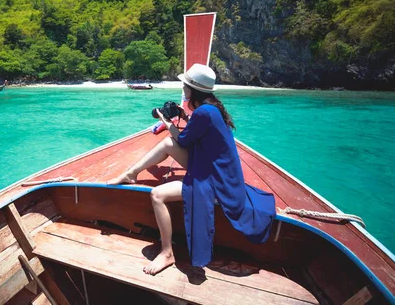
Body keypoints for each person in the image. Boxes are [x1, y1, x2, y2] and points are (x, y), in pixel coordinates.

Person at [107, 63, 276, 276]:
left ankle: (167, 252)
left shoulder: (204, 112)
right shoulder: (210, 108)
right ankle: (130, 174)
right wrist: (184, 118)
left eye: (184, 84)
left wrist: (166, 121)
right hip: (216, 170)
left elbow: (185, 141)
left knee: (157, 195)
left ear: (192, 89)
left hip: (215, 181)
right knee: (168, 144)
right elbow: (195, 134)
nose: (183, 88)